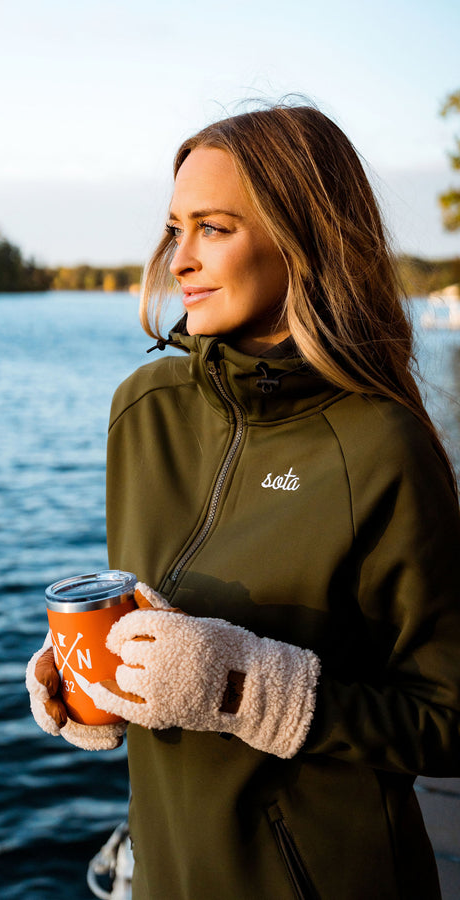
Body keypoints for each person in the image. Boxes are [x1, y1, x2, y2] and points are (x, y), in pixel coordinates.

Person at [26, 103, 460, 899]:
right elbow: (161, 613)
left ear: (303, 238)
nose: (181, 259)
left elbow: (446, 719)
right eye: (173, 229)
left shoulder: (381, 446)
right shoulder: (141, 412)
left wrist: (247, 685)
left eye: (214, 228)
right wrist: (92, 674)